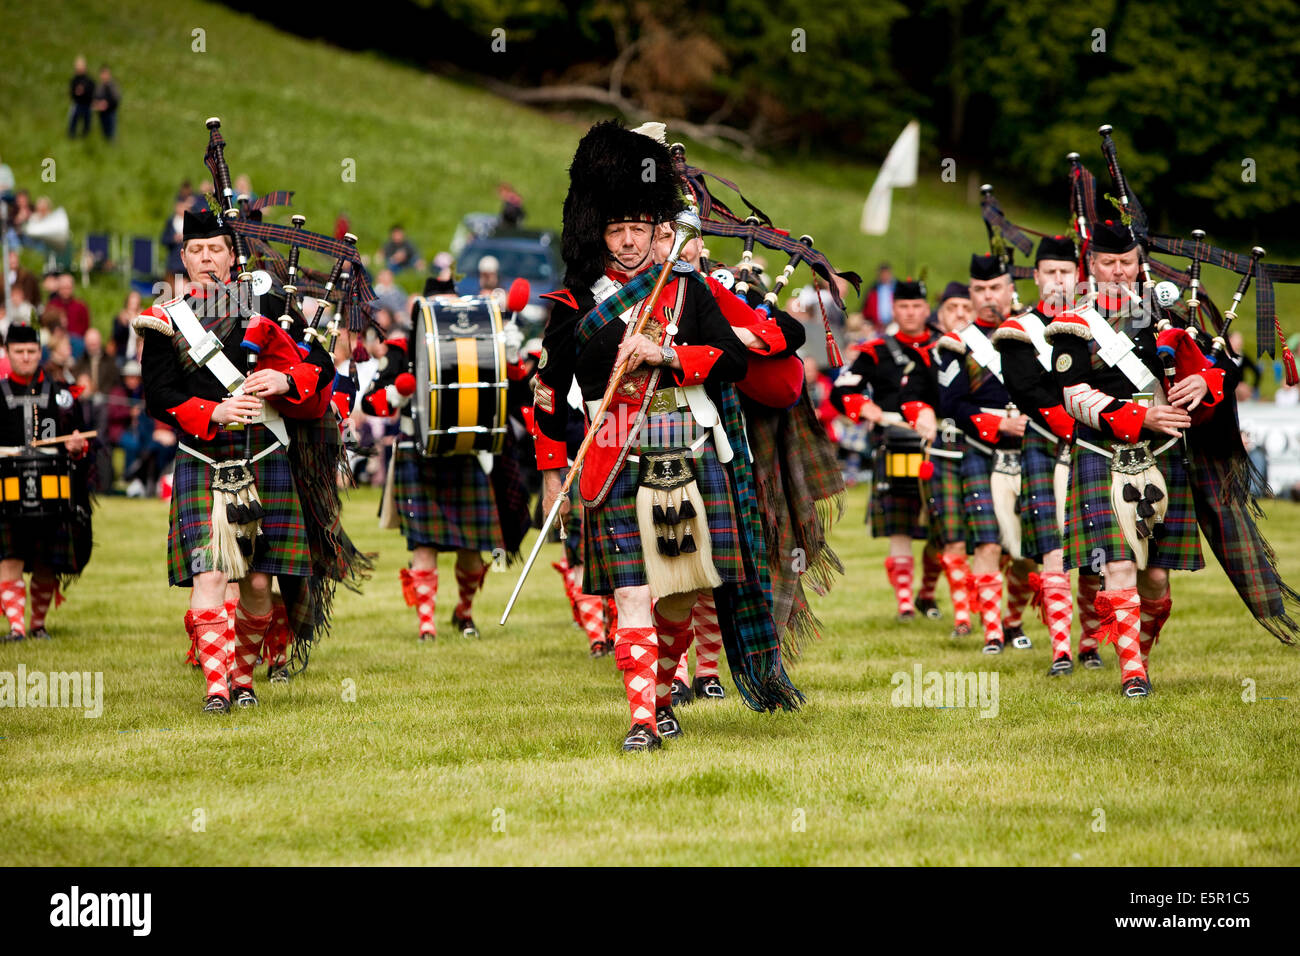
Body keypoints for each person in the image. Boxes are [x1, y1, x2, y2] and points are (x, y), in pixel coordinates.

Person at [532, 120, 802, 751]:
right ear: (597, 233)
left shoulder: (687, 290)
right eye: (616, 229)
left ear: (658, 231)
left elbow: (735, 361)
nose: (627, 241)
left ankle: (659, 688)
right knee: (631, 589)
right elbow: (546, 390)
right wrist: (551, 471)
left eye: (638, 229)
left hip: (687, 444)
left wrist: (671, 356)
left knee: (680, 594)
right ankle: (642, 720)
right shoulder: (573, 306)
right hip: (612, 450)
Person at [134, 209, 336, 713]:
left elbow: (321, 364)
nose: (207, 259)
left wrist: (287, 381)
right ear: (183, 259)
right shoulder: (164, 318)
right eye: (197, 251)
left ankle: (243, 677)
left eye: (216, 249)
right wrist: (215, 410)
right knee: (209, 573)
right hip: (202, 454)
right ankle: (217, 688)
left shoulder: (268, 306)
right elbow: (159, 397)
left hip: (263, 451)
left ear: (231, 255)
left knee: (259, 583)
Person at [1045, 220, 1210, 697]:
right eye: (1108, 263)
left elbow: (1216, 369)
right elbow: (1074, 396)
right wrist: (1143, 417)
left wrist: (1204, 382)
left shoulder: (1167, 317)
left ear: (1139, 265)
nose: (1118, 271)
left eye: (1126, 262)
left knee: (1155, 578)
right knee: (1117, 565)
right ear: (1091, 267)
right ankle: (1132, 671)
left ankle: (1138, 645)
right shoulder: (1072, 323)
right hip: (1102, 450)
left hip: (1162, 455)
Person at [362, 274, 531, 641]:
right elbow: (368, 402)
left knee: (472, 549)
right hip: (418, 450)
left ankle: (464, 613)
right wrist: (396, 394)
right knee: (424, 546)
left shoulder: (478, 343)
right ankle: (427, 625)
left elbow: (512, 388)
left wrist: (512, 355)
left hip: (467, 449)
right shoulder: (400, 348)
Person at [991, 235, 1094, 674]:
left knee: (1095, 549)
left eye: (1065, 272)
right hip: (1044, 440)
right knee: (1051, 547)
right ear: (1035, 277)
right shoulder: (1019, 330)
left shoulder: (1099, 326)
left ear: (1077, 277)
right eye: (1049, 272)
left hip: (1092, 441)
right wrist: (1072, 420)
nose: (1057, 279)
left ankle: (1091, 642)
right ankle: (1061, 650)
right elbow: (1026, 387)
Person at [936, 254, 1033, 654]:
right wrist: (995, 425)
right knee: (988, 543)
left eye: (996, 287)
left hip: (1032, 446)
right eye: (979, 289)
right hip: (981, 447)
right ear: (971, 294)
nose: (988, 296)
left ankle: (1013, 621)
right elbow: (950, 403)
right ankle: (993, 631)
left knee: (1028, 548)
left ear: (1011, 288)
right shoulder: (956, 344)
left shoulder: (1035, 335)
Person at [830, 279, 938, 621]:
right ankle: (905, 602)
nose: (910, 313)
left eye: (916, 306)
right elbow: (841, 391)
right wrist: (864, 407)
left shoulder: (943, 345)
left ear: (926, 309)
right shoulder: (875, 350)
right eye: (903, 306)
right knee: (901, 526)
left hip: (939, 442)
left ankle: (928, 593)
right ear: (895, 310)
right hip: (894, 443)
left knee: (944, 526)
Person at [0, 323, 93, 641]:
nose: (26, 358)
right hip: (5, 494)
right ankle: (16, 627)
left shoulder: (63, 395)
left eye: (31, 352)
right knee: (8, 557)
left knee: (45, 560)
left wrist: (78, 447)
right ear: (8, 353)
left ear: (39, 353)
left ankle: (37, 624)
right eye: (19, 352)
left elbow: (84, 441)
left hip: (55, 491)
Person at [919, 281, 977, 638]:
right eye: (952, 308)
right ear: (940, 315)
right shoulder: (928, 355)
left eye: (965, 308)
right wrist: (920, 410)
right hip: (943, 451)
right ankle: (962, 616)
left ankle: (993, 610)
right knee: (952, 536)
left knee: (992, 542)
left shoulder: (992, 353)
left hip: (988, 451)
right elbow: (912, 394)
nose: (959, 314)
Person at [862, 262, 896, 332]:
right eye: (882, 274)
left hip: (893, 324)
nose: (884, 276)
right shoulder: (873, 289)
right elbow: (866, 308)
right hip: (876, 326)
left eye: (886, 274)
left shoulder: (896, 288)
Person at [92, 66, 120, 142]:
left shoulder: (113, 86)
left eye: (106, 74)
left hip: (111, 113)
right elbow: (95, 99)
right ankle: (105, 148)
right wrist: (97, 105)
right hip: (102, 114)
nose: (104, 76)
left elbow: (116, 99)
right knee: (104, 133)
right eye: (103, 74)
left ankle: (112, 148)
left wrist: (107, 104)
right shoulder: (99, 87)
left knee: (112, 133)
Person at [68, 57, 94, 139]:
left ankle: (85, 138)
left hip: (87, 104)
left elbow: (92, 91)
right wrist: (76, 93)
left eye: (81, 66)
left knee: (87, 123)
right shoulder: (74, 80)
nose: (79, 68)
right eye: (78, 67)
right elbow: (72, 92)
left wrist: (84, 92)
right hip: (77, 104)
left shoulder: (89, 80)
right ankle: (72, 137)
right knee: (73, 121)